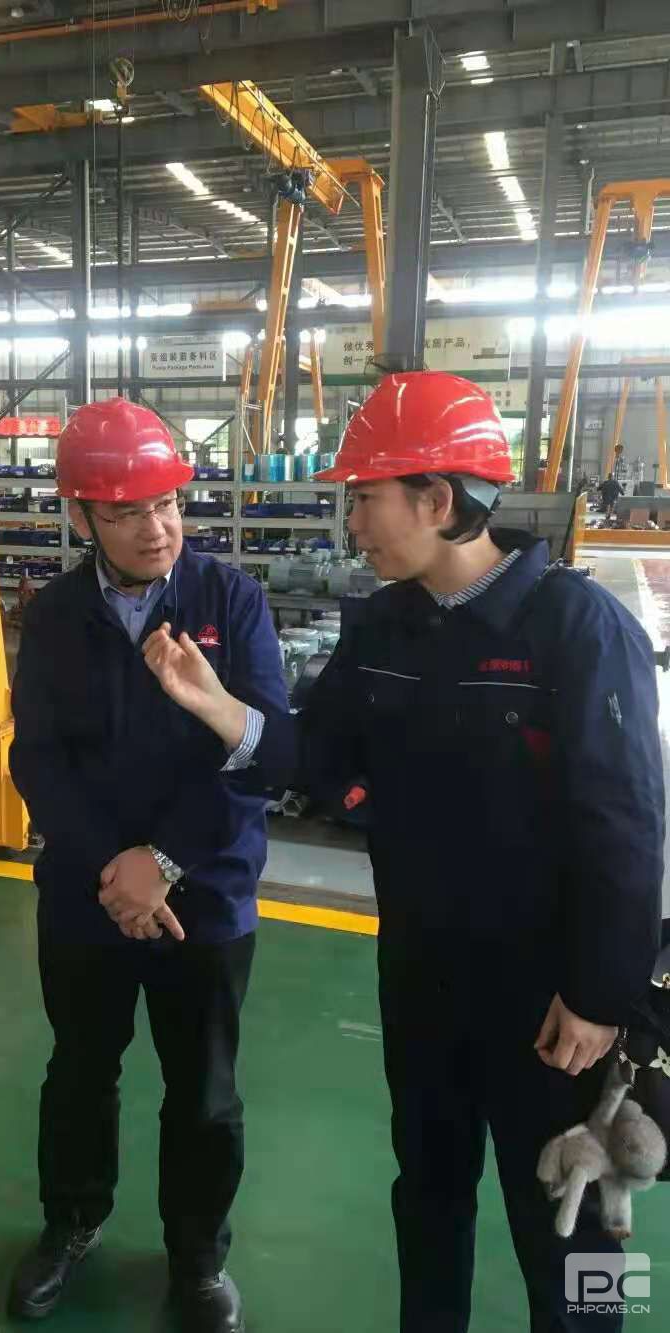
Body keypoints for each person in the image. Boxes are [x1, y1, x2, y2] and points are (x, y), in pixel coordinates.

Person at [143, 371, 664, 1332]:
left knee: (583, 1214)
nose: (352, 523)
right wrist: (219, 707)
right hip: (422, 978)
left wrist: (601, 994)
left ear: (437, 499)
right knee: (426, 1189)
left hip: (552, 1003)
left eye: (365, 497)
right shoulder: (384, 625)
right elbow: (317, 754)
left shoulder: (579, 629)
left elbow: (627, 824)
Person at [7, 398, 288, 1332]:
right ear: (81, 515)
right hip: (89, 896)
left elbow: (257, 754)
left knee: (203, 1089)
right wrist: (116, 870)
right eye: (126, 511)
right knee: (80, 1070)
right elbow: (39, 759)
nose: (156, 527)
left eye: (166, 502)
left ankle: (197, 1258)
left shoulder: (229, 602)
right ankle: (71, 1221)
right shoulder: (56, 616)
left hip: (205, 893)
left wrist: (164, 860)